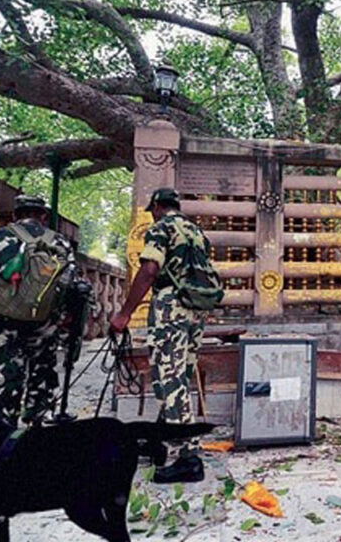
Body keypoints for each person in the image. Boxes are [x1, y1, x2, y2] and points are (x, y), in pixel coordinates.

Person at [110, 188, 210, 483]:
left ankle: (189, 456)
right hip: (196, 310)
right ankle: (160, 440)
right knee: (179, 377)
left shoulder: (161, 228)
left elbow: (149, 270)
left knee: (170, 380)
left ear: (156, 206)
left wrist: (125, 312)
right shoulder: (196, 232)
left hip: (171, 309)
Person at [0, 196, 77, 428]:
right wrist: (65, 323)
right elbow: (72, 288)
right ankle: (35, 420)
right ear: (43, 216)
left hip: (3, 324)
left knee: (3, 380)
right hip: (44, 325)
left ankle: (2, 432)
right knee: (42, 376)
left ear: (15, 215)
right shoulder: (60, 243)